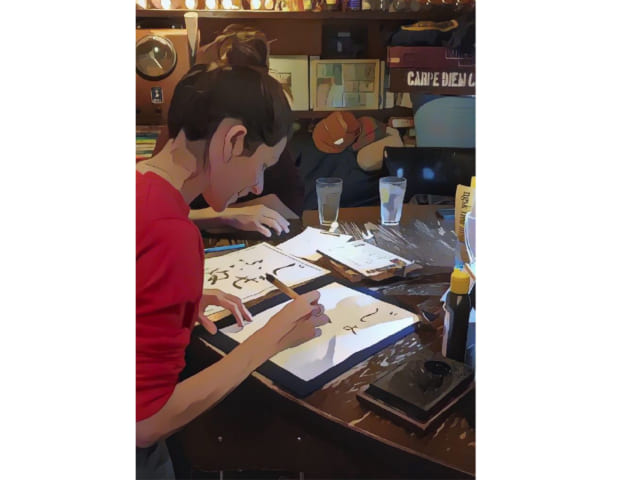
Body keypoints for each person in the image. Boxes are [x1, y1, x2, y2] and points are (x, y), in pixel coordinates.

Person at [136, 63, 329, 479]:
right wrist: (273, 337)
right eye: (263, 165)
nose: (258, 187)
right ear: (234, 140)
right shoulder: (171, 233)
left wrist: (172, 300)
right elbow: (145, 423)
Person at [150, 25, 305, 238]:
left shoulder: (268, 132)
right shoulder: (189, 132)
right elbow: (160, 211)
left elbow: (290, 209)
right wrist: (226, 215)